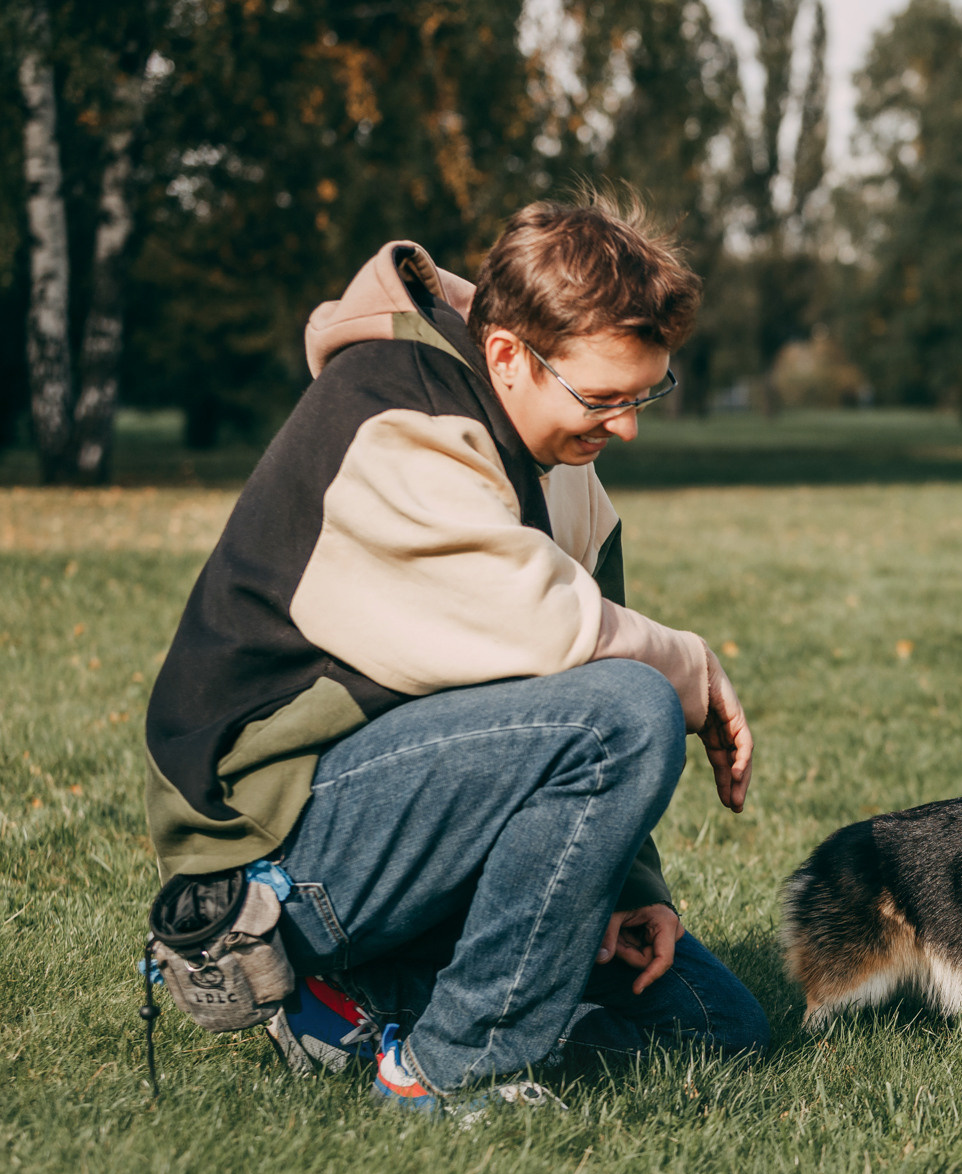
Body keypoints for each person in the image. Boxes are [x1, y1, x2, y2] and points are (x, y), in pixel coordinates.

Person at [143, 196, 769, 1113]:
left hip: (420, 822)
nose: (628, 427)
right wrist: (693, 668)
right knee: (633, 707)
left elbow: (578, 683)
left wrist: (634, 885)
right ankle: (443, 1070)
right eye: (605, 398)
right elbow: (559, 637)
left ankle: (366, 1007)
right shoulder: (389, 414)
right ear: (510, 353)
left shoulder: (565, 463)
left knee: (717, 1023)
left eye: (647, 394)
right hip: (272, 841)